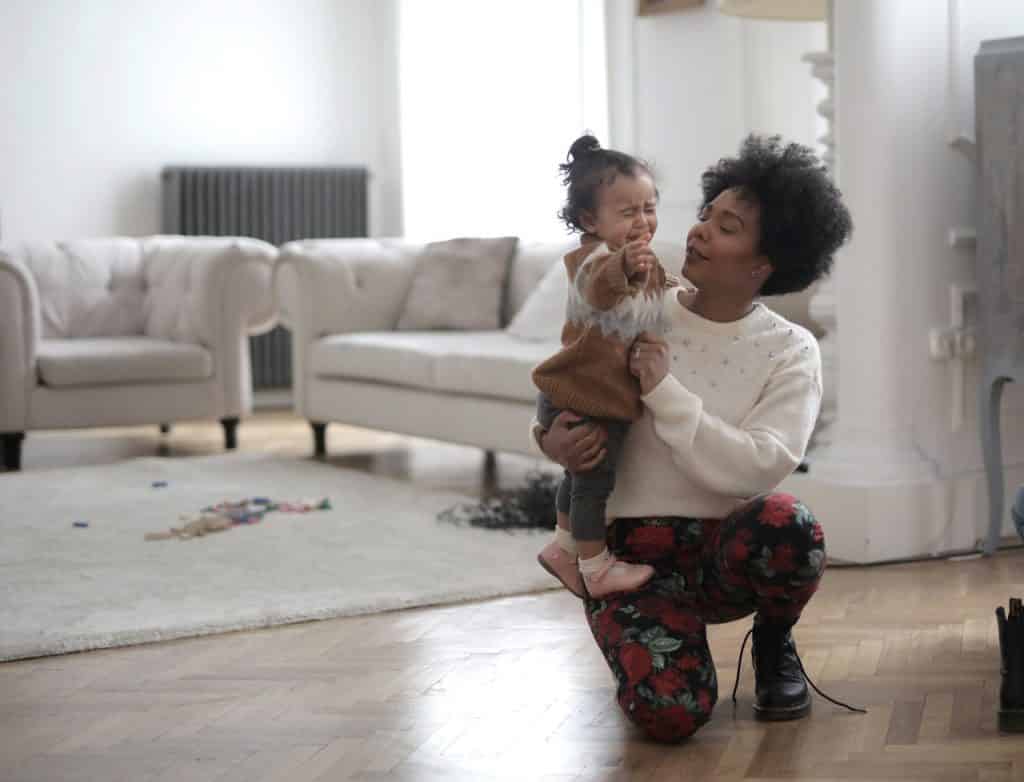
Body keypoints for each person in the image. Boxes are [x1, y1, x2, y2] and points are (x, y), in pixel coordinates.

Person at [532, 134, 854, 741]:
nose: (699, 230)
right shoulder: (640, 301)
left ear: (764, 263)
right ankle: (657, 641)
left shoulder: (791, 350)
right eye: (706, 214)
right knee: (671, 715)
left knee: (791, 524)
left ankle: (774, 639)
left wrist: (663, 389)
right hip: (627, 556)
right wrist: (550, 441)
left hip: (723, 552)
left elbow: (759, 467)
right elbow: (572, 375)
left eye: (726, 226)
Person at [533, 134, 676, 599]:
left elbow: (652, 302)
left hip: (581, 387)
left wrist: (668, 285)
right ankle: (595, 568)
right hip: (585, 391)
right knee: (594, 483)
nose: (643, 221)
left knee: (577, 477)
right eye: (628, 212)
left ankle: (561, 547)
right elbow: (601, 288)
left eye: (649, 208)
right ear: (589, 221)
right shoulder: (593, 260)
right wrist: (625, 267)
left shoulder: (640, 261)